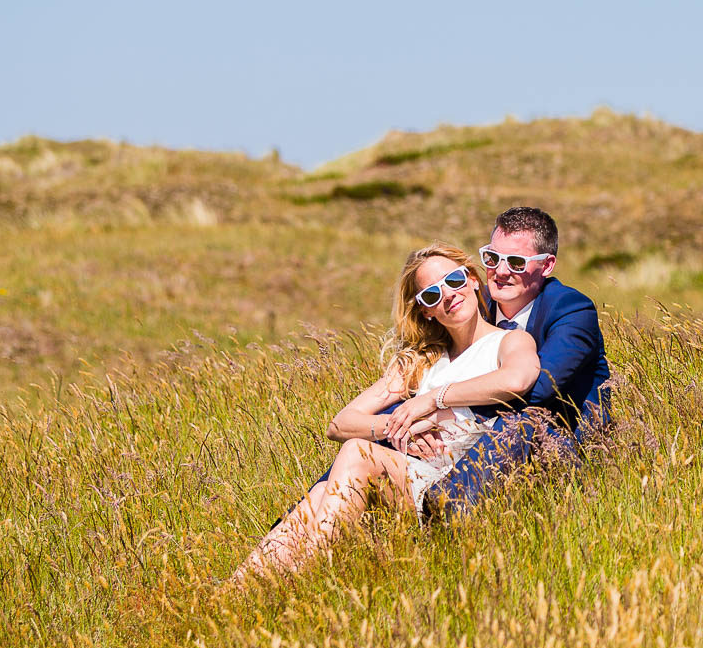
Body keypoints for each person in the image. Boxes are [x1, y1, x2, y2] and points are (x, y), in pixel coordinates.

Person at [231, 244, 540, 579]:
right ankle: (236, 592)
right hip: (412, 473)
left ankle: (305, 576)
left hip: (459, 481)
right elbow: (340, 423)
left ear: (473, 280)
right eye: (432, 294)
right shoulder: (424, 359)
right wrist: (399, 428)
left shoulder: (508, 342)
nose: (448, 295)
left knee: (357, 453)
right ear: (426, 311)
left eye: (453, 280)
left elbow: (519, 378)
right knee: (321, 492)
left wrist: (433, 398)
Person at [420, 205, 613, 514]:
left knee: (521, 421)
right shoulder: (470, 304)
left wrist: (439, 407)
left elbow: (537, 389)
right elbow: (421, 372)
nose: (501, 271)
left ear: (547, 265)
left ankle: (440, 511)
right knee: (362, 453)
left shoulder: (571, 310)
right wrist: (407, 424)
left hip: (556, 445)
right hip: (473, 438)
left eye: (516, 262)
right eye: (492, 258)